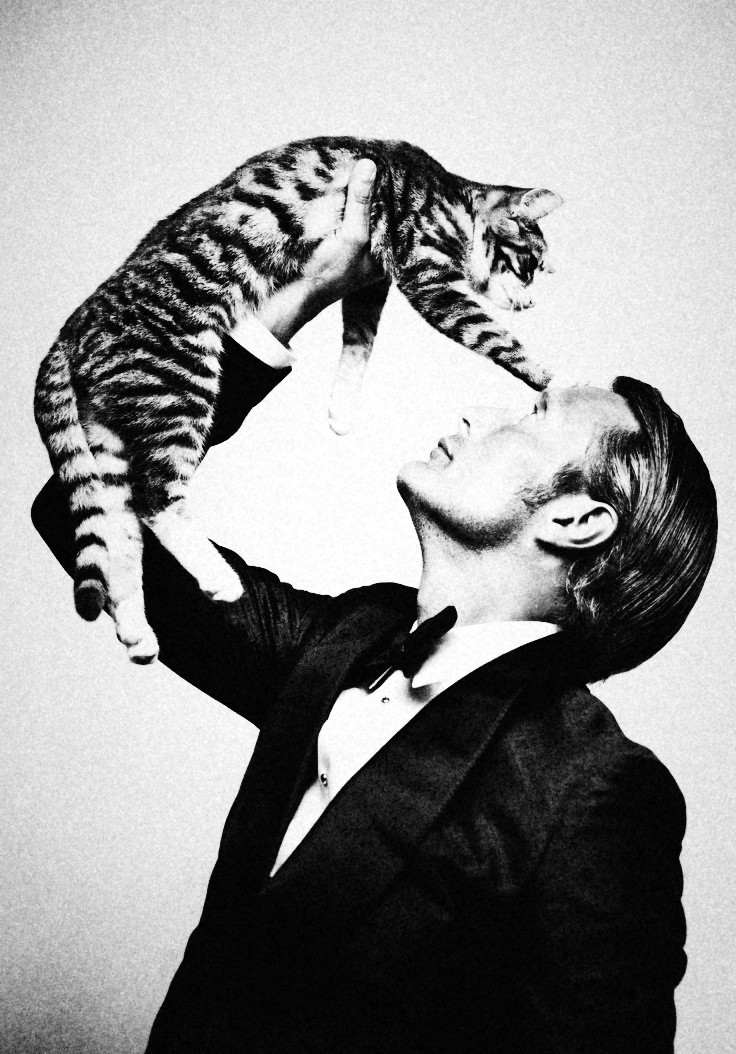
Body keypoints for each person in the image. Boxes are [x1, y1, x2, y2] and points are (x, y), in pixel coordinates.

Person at [32, 160, 717, 1053]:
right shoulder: (348, 640)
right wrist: (293, 300)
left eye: (530, 413)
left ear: (577, 519)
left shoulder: (594, 793)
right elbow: (82, 512)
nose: (476, 414)